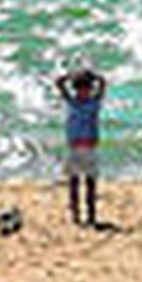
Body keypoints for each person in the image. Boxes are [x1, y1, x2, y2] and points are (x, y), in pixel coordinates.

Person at [56, 69, 107, 228]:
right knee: (74, 181)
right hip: (74, 147)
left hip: (90, 146)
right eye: (80, 89)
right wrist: (71, 76)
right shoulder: (72, 102)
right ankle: (76, 214)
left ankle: (91, 215)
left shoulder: (94, 103)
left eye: (87, 89)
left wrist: (93, 75)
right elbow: (59, 83)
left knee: (91, 182)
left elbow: (103, 84)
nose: (84, 92)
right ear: (76, 90)